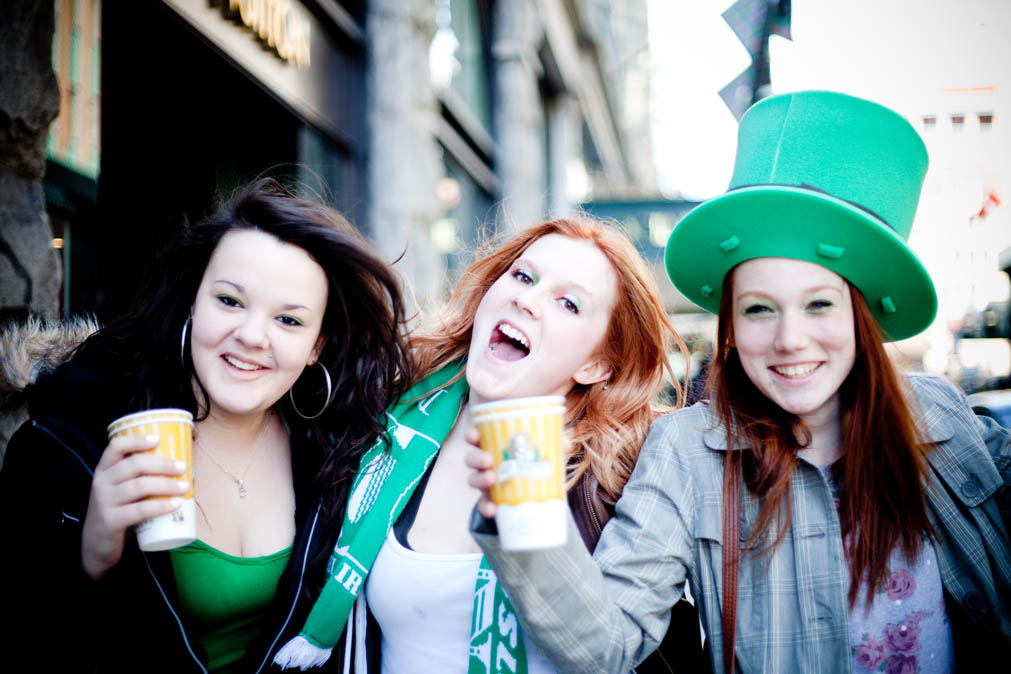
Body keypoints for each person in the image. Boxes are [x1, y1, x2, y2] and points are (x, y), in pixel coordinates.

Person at [466, 90, 1011, 674]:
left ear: (862, 316)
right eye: (758, 309)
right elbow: (606, 646)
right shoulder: (684, 453)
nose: (790, 339)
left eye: (819, 305)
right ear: (728, 325)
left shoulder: (945, 419)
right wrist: (525, 512)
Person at [0, 178, 414, 672]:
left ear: (316, 348)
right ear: (194, 301)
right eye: (230, 301)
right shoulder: (70, 443)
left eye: (289, 321)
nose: (252, 336)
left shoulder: (347, 454)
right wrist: (92, 556)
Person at [272, 216, 702, 673]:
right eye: (523, 276)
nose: (528, 300)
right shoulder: (386, 427)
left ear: (596, 365)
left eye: (569, 304)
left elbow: (612, 651)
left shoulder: (624, 481)